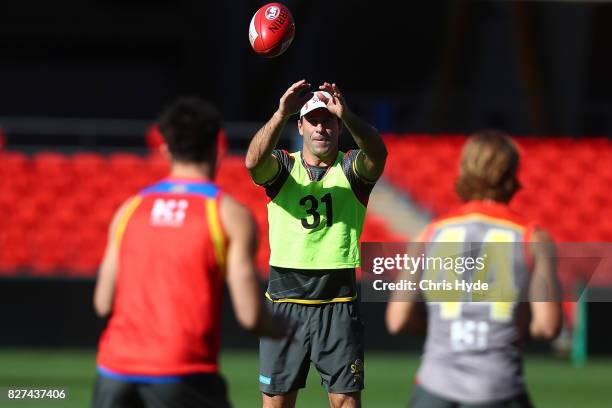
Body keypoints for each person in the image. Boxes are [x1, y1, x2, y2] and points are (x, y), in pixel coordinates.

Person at [92, 97, 289, 408]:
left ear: (165, 149)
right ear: (218, 147)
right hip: (181, 372)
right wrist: (284, 328)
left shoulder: (129, 209)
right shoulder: (227, 214)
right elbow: (250, 316)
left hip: (113, 373)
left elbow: (102, 302)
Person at [386, 130, 562, 408]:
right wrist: (514, 327)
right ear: (512, 173)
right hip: (498, 386)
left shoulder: (429, 234)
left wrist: (439, 328)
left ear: (464, 170)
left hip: (434, 387)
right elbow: (548, 326)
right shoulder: (533, 238)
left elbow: (397, 320)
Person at [245, 80, 387, 408]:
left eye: (329, 120)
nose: (321, 128)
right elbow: (253, 163)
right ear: (300, 125)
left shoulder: (352, 169)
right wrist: (280, 112)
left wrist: (349, 114)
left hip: (336, 302)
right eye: (313, 121)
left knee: (345, 403)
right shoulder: (283, 166)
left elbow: (378, 154)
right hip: (285, 301)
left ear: (338, 126)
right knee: (277, 403)